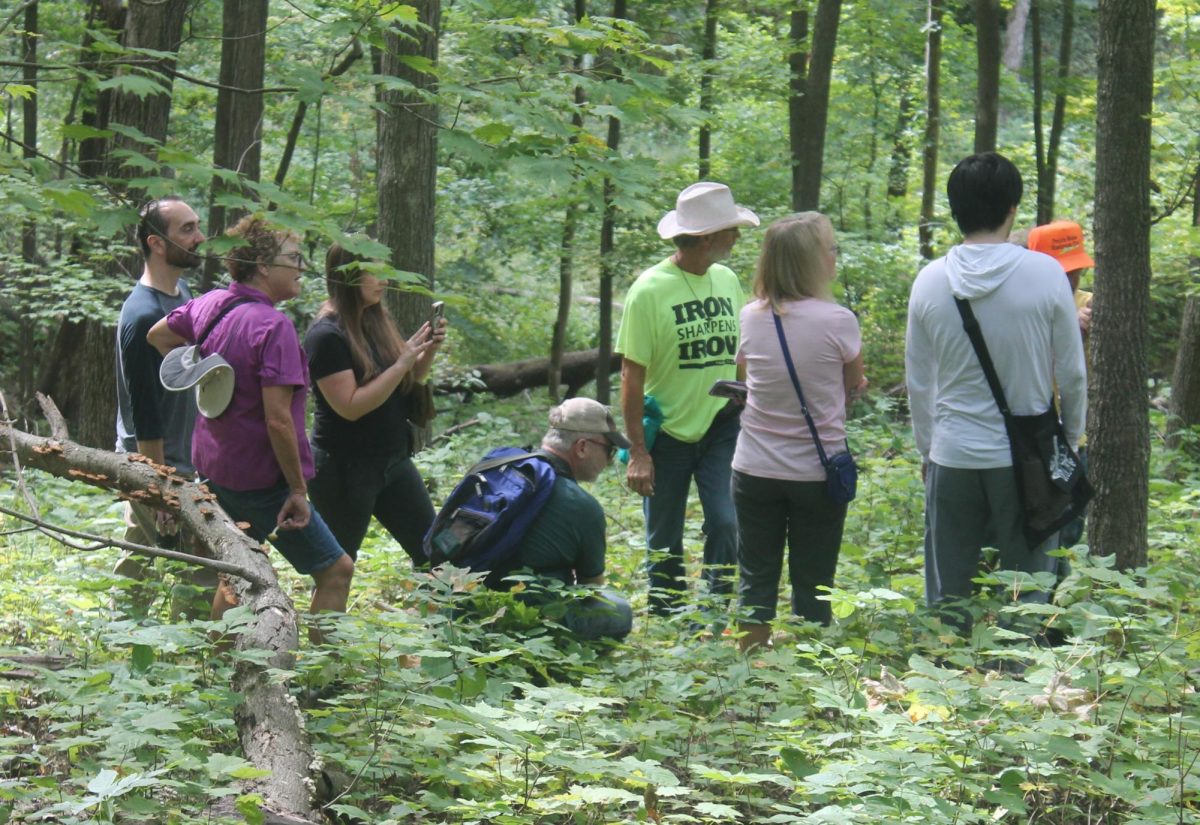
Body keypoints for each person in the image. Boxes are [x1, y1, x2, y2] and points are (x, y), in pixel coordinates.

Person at [147, 215, 354, 641]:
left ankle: (219, 666)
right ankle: (321, 681)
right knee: (336, 571)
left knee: (237, 571)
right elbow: (278, 419)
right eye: (294, 258)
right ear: (262, 264)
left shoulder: (210, 304)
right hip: (263, 480)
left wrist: (208, 362)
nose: (302, 267)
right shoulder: (272, 326)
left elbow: (157, 335)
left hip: (216, 468)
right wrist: (297, 491)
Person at [905, 152, 1087, 632]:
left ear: (954, 208)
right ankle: (1018, 682)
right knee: (1028, 587)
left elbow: (919, 382)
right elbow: (1072, 373)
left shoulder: (928, 282)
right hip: (1028, 458)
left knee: (950, 589)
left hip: (953, 454)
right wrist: (1071, 439)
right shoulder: (1046, 274)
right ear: (1013, 207)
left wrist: (927, 449)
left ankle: (947, 684)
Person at [616, 182, 759, 615]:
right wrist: (638, 451)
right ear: (707, 237)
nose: (737, 236)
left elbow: (740, 353)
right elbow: (631, 375)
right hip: (668, 432)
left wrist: (748, 401)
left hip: (721, 424)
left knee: (728, 520)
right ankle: (667, 615)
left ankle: (715, 609)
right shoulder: (649, 290)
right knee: (664, 536)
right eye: (731, 229)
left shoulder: (727, 279)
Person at [731, 213, 866, 651]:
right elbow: (852, 385)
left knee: (756, 576)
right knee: (814, 580)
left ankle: (749, 668)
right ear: (812, 261)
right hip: (816, 471)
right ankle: (811, 674)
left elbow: (745, 375)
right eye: (831, 249)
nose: (834, 257)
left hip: (754, 468)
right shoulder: (838, 320)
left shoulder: (750, 317)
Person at [303, 244, 443, 565]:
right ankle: (324, 619)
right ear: (349, 277)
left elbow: (408, 381)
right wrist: (401, 362)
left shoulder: (375, 320)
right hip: (344, 471)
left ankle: (442, 613)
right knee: (337, 569)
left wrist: (427, 350)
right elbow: (350, 406)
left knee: (436, 555)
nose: (385, 281)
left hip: (393, 462)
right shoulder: (326, 336)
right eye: (375, 273)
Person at [113, 196, 216, 616]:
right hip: (154, 461)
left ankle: (135, 635)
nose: (199, 237)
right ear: (157, 243)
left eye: (197, 226)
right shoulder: (141, 315)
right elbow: (144, 413)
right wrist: (160, 489)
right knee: (186, 565)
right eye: (187, 229)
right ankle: (157, 649)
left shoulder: (183, 293)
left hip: (186, 459)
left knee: (154, 557)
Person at [509, 398, 634, 641]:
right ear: (582, 447)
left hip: (467, 604)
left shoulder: (506, 468)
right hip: (527, 618)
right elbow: (591, 591)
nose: (609, 461)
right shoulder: (582, 506)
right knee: (619, 610)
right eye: (608, 450)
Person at [1027, 220, 1095, 550]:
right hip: (1032, 435)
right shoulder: (1023, 304)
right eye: (1062, 270)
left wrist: (1089, 333)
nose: (1071, 277)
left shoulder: (1089, 304)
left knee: (1067, 527)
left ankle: (1055, 593)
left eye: (1076, 268)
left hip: (1073, 435)